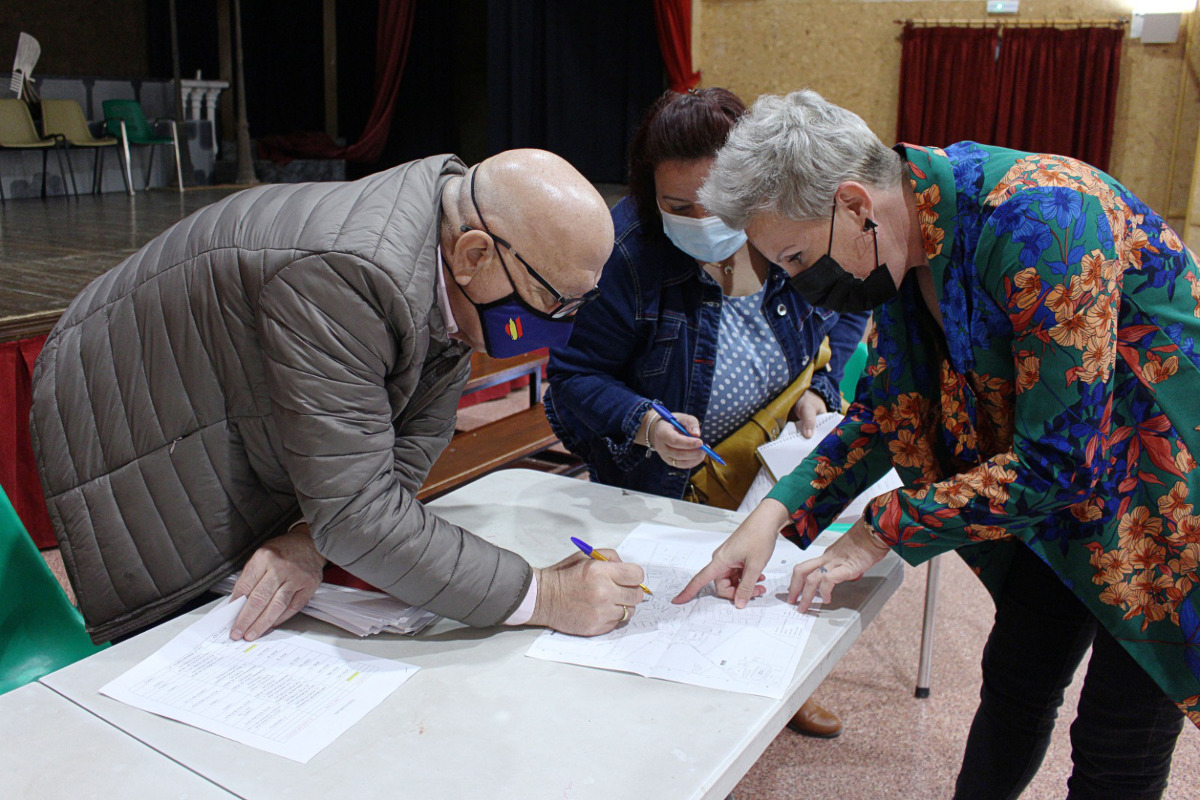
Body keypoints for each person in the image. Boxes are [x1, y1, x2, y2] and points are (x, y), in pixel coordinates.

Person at [675, 89, 1200, 797]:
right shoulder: (902, 243)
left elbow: (1058, 461)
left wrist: (877, 533)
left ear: (856, 204)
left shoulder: (1045, 216)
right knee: (1017, 678)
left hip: (1165, 486)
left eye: (797, 258)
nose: (801, 287)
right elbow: (887, 411)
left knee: (1117, 737)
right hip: (1054, 489)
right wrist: (770, 518)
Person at [31, 149, 647, 646]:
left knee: (283, 574)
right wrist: (543, 596)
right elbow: (357, 515)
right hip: (135, 405)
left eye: (577, 304)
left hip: (223, 386)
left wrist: (308, 533)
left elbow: (412, 437)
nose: (562, 324)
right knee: (186, 630)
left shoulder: (455, 253)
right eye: (553, 302)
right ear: (474, 253)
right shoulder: (347, 275)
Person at [545, 88, 868, 738]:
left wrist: (823, 388)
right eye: (676, 207)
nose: (701, 220)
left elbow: (854, 301)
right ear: (647, 194)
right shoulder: (627, 253)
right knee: (672, 616)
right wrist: (647, 423)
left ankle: (779, 682)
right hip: (662, 478)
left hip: (772, 453)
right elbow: (573, 377)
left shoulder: (790, 227)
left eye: (719, 204)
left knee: (767, 590)